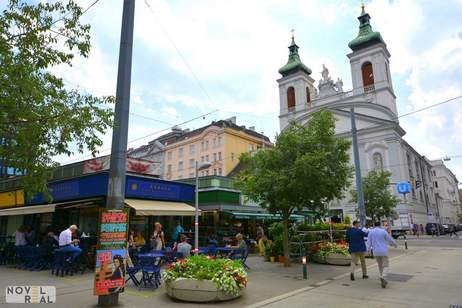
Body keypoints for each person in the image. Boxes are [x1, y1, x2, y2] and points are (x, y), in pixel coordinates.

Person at [367, 221, 398, 288]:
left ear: (374, 225)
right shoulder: (383, 231)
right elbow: (389, 239)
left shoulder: (371, 232)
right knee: (386, 265)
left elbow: (368, 242)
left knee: (380, 265)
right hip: (383, 251)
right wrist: (395, 244)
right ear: (380, 225)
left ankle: (382, 277)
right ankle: (383, 277)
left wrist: (368, 250)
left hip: (376, 252)